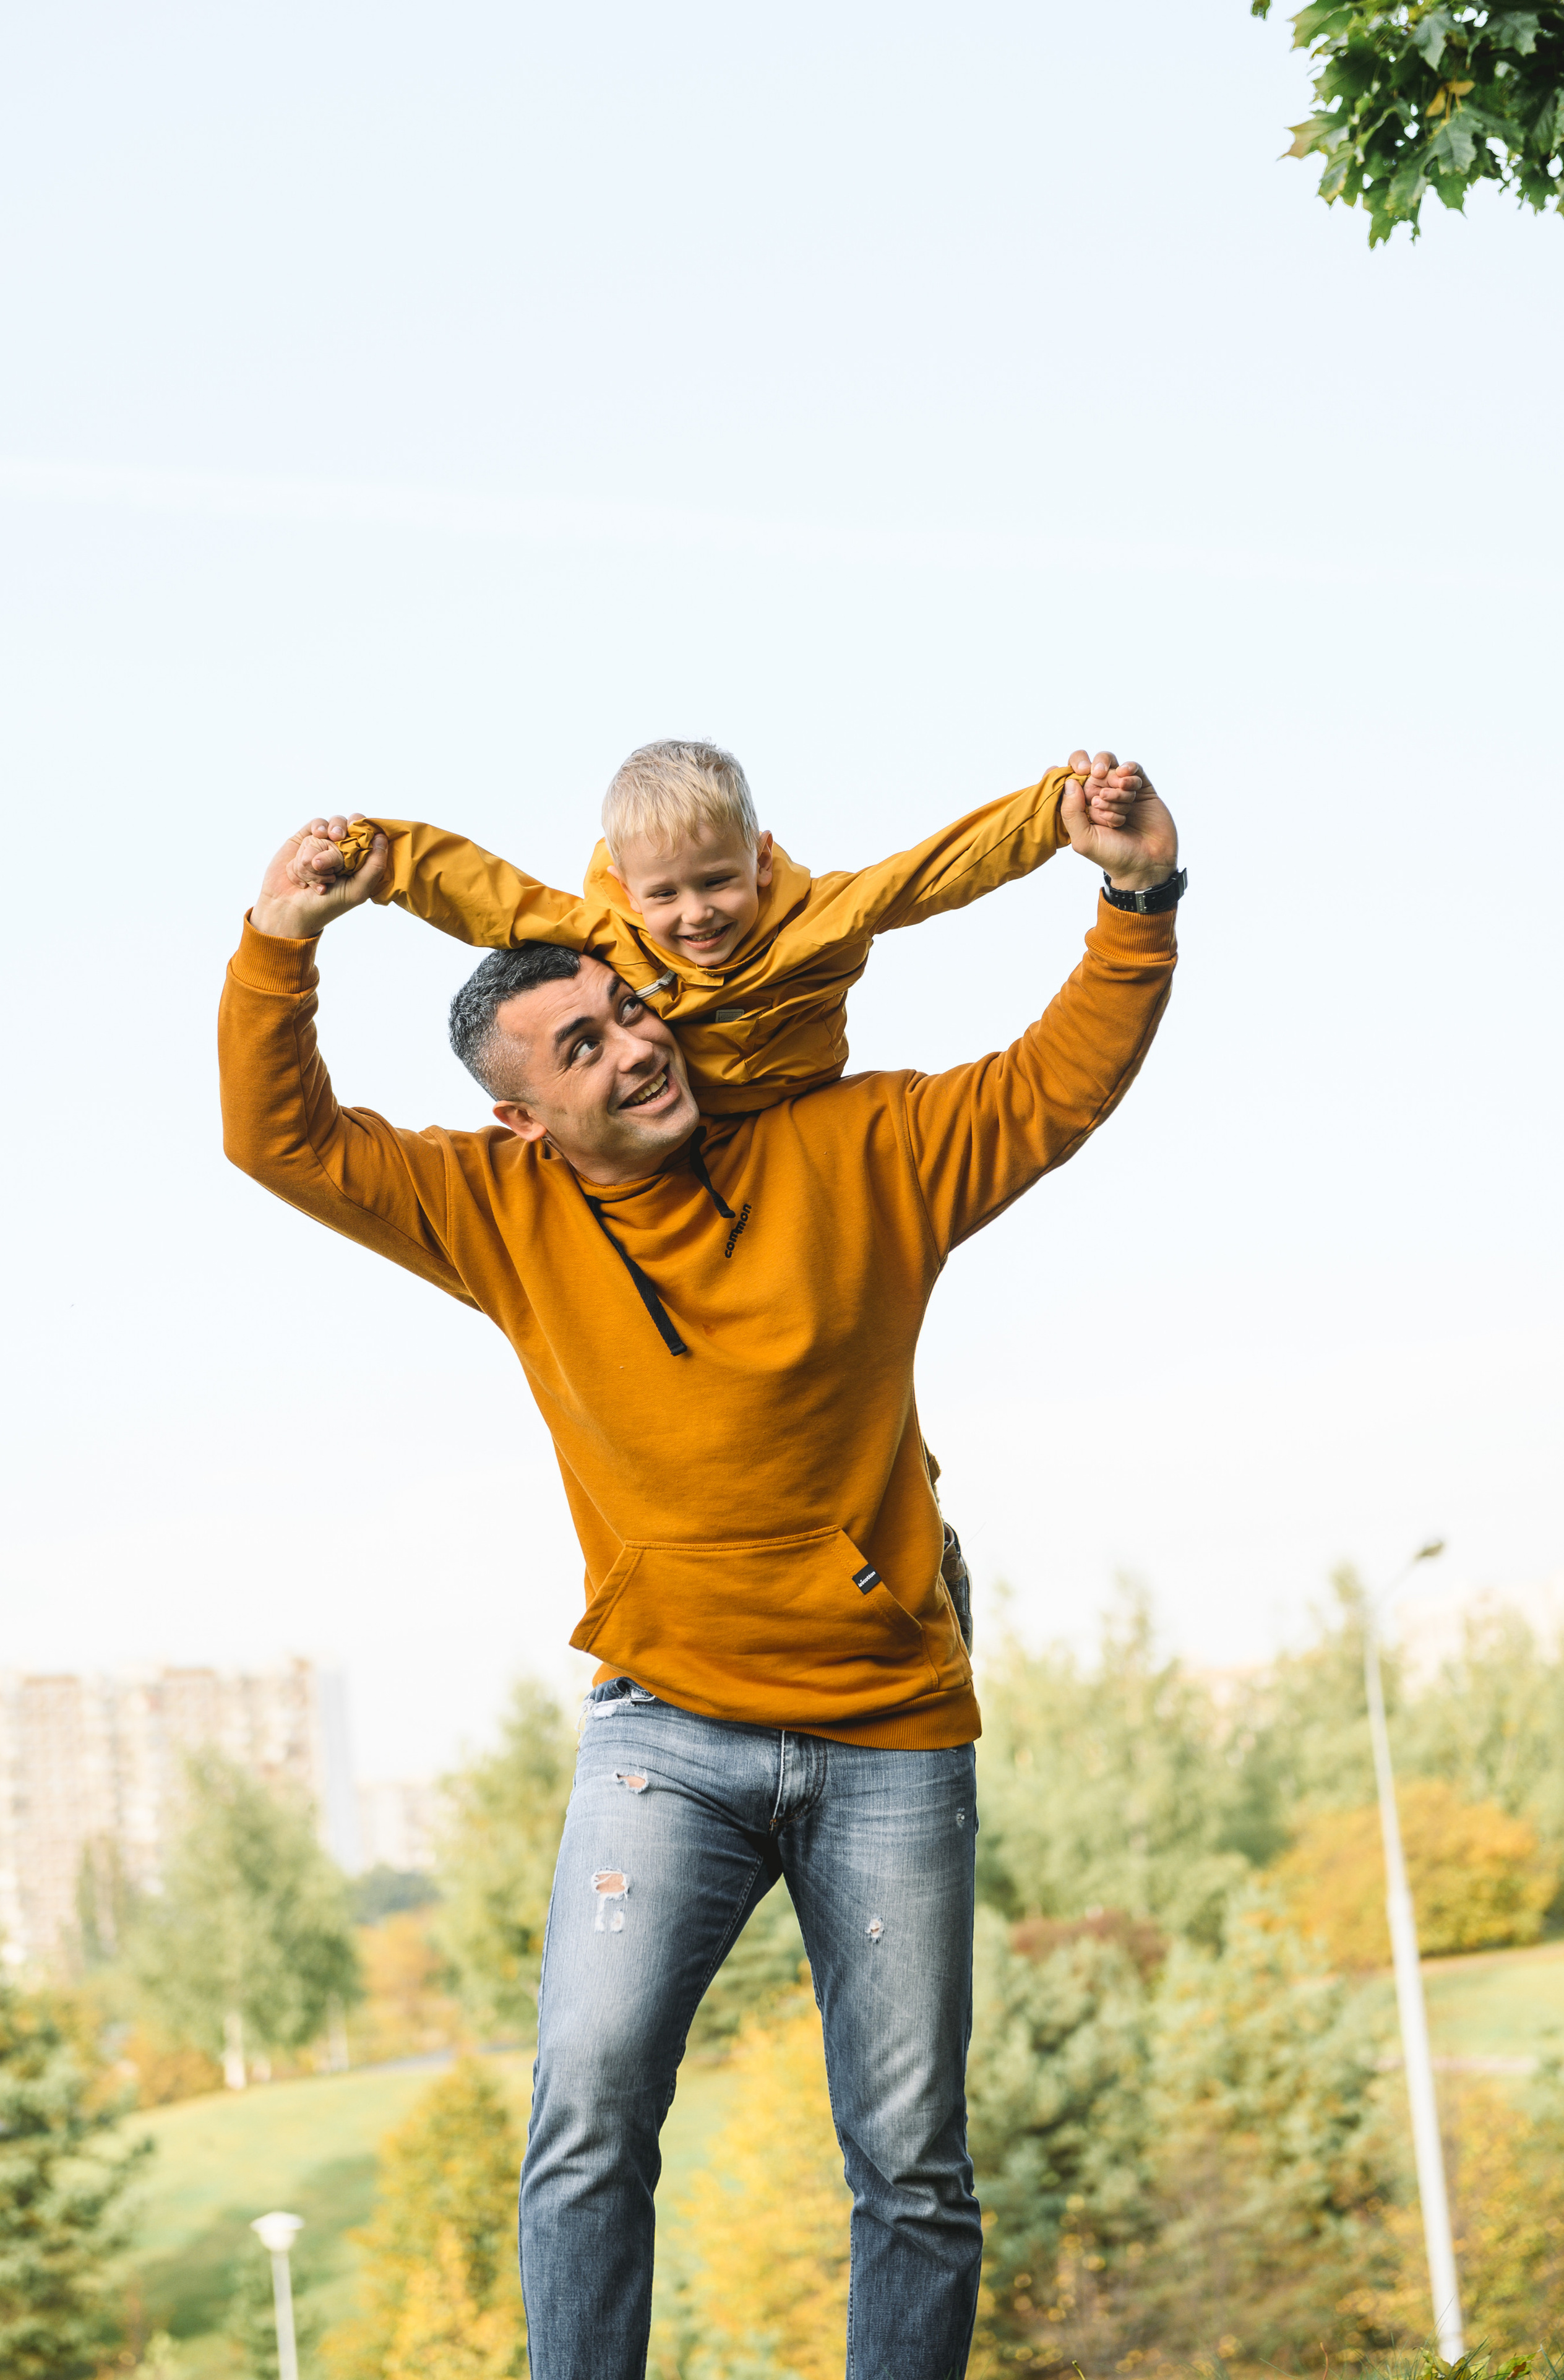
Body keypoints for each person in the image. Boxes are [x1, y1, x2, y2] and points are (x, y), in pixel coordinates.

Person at [219, 747, 1182, 2380]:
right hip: (665, 1737)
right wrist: (280, 940)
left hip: (888, 1733)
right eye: (586, 1044)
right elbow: (284, 1138)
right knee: (586, 2115)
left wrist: (1134, 898)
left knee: (913, 2168)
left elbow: (1049, 1089)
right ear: (522, 1117)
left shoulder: (859, 1151)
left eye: (637, 1010)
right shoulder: (499, 1211)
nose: (641, 1042)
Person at [314, 737, 1145, 1111]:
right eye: (666, 894)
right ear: (627, 887)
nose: (696, 913)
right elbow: (488, 896)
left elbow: (935, 871)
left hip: (800, 1102)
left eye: (717, 882)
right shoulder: (610, 936)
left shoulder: (822, 915)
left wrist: (1055, 810)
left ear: (759, 859)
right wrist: (375, 856)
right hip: (684, 1123)